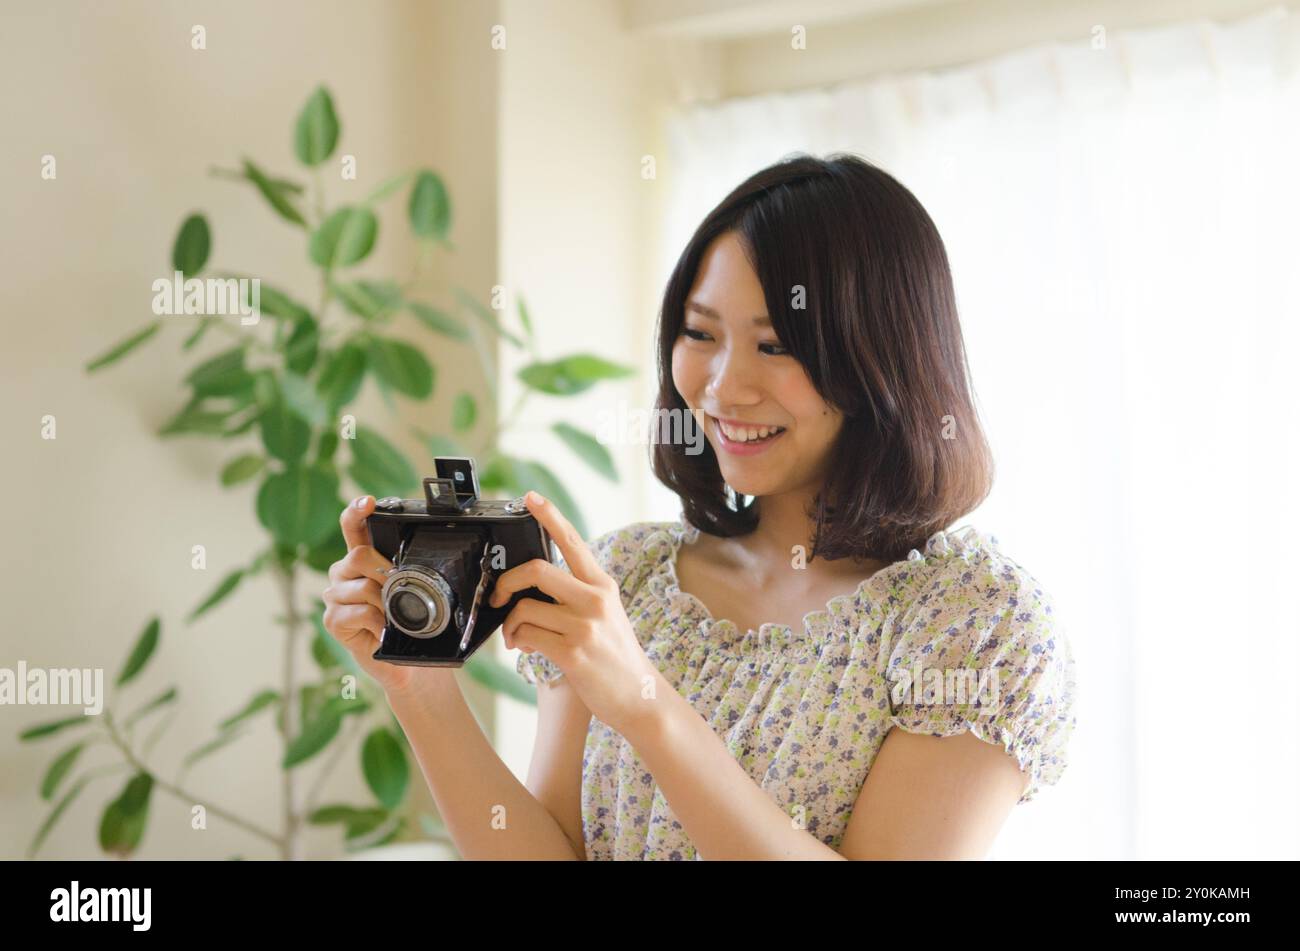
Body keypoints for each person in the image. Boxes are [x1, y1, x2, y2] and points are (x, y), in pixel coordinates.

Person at [321, 152, 1077, 860]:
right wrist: (420, 689)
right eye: (699, 333)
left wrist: (644, 703)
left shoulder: (975, 625)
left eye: (774, 345)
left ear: (879, 356)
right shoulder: (629, 576)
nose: (721, 386)